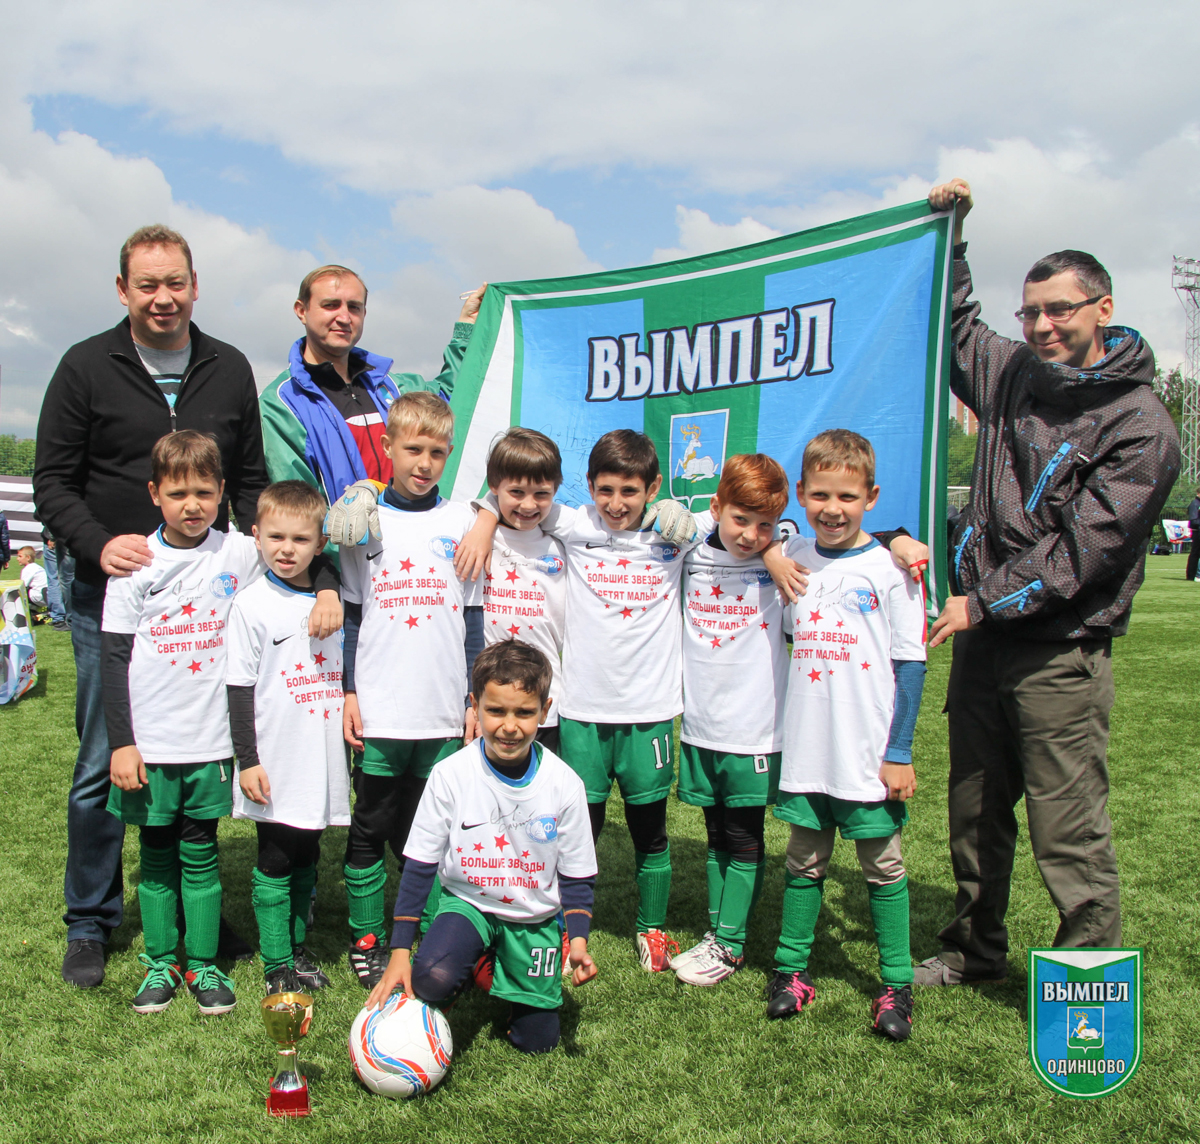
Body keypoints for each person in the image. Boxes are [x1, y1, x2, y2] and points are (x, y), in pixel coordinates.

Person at [917, 179, 1181, 985]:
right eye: (1031, 312)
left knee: (1068, 830)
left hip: (1059, 655)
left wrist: (981, 600)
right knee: (973, 818)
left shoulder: (1142, 423)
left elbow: (1082, 552)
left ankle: (1088, 985)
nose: (1041, 326)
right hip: (984, 650)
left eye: (1059, 310)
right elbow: (955, 325)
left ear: (1103, 308)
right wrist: (951, 234)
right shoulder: (1010, 371)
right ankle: (974, 952)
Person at [34, 224, 282, 988]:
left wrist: (261, 569)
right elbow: (52, 482)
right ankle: (92, 918)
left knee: (206, 747)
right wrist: (93, 542)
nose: (163, 297)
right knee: (107, 760)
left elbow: (247, 479)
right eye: (147, 284)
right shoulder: (84, 366)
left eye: (175, 282)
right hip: (109, 596)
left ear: (195, 284)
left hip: (211, 605)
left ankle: (195, 914)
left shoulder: (229, 365)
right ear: (123, 291)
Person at [100, 433, 340, 1014]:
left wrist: (329, 587)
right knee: (155, 858)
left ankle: (204, 966)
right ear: (154, 493)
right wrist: (123, 743)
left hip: (211, 744)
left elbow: (308, 545)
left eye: (204, 492)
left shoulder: (238, 550)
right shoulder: (135, 565)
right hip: (150, 745)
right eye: (178, 493)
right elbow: (112, 659)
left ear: (222, 494)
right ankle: (161, 963)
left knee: (200, 851)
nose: (192, 505)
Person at [765, 430, 927, 1042]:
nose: (834, 508)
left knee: (882, 865)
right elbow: (744, 534)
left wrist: (900, 751)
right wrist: (772, 554)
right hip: (807, 747)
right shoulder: (791, 555)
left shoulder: (892, 568)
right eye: (821, 495)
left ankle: (896, 982)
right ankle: (790, 971)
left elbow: (911, 664)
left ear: (872, 497)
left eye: (849, 496)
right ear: (801, 494)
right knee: (804, 860)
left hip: (866, 753)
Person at [365, 640, 598, 1055]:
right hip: (468, 904)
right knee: (431, 979)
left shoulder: (565, 785)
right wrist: (401, 951)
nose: (510, 725)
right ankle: (470, 957)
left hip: (533, 917)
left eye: (525, 713)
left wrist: (577, 941)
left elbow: (578, 874)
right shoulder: (451, 774)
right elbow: (419, 863)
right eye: (496, 711)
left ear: (545, 711)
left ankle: (499, 972)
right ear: (474, 706)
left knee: (538, 1043)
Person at [338, 391, 485, 988]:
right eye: (413, 449)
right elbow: (351, 615)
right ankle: (367, 935)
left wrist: (473, 699)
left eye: (437, 452)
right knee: (370, 825)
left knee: (433, 832)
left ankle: (419, 926)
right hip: (381, 709)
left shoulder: (463, 525)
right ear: (390, 449)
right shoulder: (364, 521)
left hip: (443, 713)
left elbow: (474, 622)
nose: (424, 463)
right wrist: (349, 693)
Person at [671, 454, 791, 987]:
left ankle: (731, 945)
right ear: (717, 507)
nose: (751, 534)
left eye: (765, 524)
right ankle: (717, 932)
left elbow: (837, 540)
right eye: (741, 519)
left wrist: (781, 542)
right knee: (716, 832)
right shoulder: (691, 549)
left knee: (744, 836)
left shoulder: (781, 555)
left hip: (755, 727)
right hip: (701, 725)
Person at [226, 481, 350, 996]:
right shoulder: (251, 604)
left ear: (320, 544)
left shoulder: (334, 596)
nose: (285, 549)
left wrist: (328, 587)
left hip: (320, 757)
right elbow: (238, 688)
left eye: (300, 540)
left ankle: (299, 950)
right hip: (273, 760)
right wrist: (247, 760)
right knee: (275, 857)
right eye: (275, 536)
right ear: (255, 536)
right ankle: (276, 961)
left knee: (307, 854)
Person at [259, 264, 484, 505]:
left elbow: (455, 397)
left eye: (354, 307)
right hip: (344, 542)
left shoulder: (394, 387)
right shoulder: (282, 402)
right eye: (331, 305)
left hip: (411, 536)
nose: (344, 317)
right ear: (301, 310)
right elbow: (297, 507)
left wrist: (466, 328)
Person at [473, 428, 567, 754]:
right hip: (489, 706)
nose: (529, 505)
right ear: (494, 486)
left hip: (544, 710)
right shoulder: (471, 532)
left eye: (542, 494)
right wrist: (485, 517)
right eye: (516, 491)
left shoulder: (564, 545)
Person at [41, 531, 71, 630]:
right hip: (71, 538)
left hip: (58, 539)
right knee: (70, 578)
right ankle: (71, 616)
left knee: (56, 579)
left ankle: (59, 617)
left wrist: (52, 537)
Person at [1186, 488, 1200, 582]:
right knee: (1195, 553)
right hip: (1197, 531)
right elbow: (1193, 520)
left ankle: (1193, 575)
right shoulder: (1195, 503)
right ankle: (1193, 575)